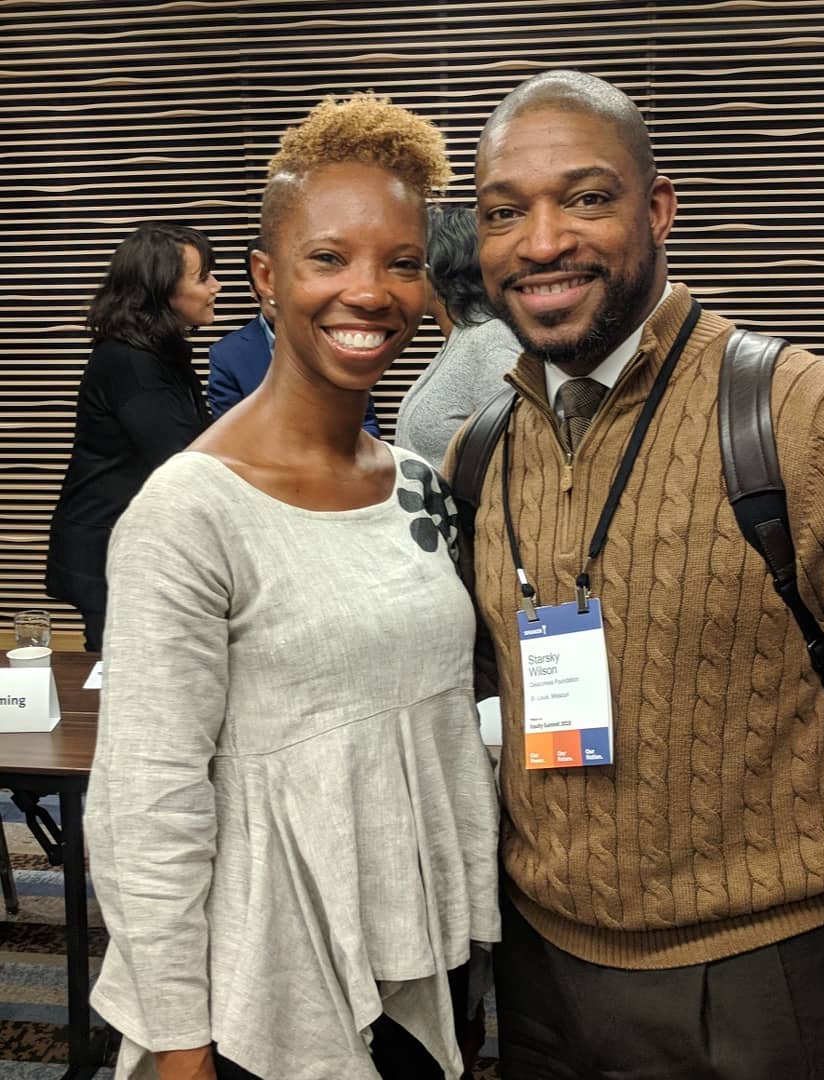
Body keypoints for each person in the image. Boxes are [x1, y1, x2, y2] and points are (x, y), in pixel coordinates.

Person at [449, 69, 824, 1080]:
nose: (541, 242)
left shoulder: (805, 420)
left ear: (659, 207)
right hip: (541, 971)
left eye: (586, 198)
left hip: (763, 982)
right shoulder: (486, 449)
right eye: (505, 212)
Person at [84, 93, 500, 1080]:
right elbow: (148, 808)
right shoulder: (191, 513)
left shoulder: (417, 485)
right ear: (268, 279)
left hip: (423, 968)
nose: (371, 291)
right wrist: (179, 1047)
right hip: (260, 1004)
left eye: (401, 262)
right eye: (330, 258)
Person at [45, 221, 219, 651]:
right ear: (161, 290)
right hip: (110, 546)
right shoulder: (130, 361)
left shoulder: (159, 349)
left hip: (129, 544)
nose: (216, 285)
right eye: (203, 277)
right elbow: (183, 456)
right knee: (123, 682)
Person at [208, 236, 382, 436]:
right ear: (255, 289)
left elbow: (365, 421)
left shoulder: (337, 339)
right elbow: (230, 438)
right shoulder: (228, 355)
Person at [394, 206, 520, 469]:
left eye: (408, 266)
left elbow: (519, 460)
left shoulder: (491, 341)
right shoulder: (460, 336)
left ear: (433, 271)